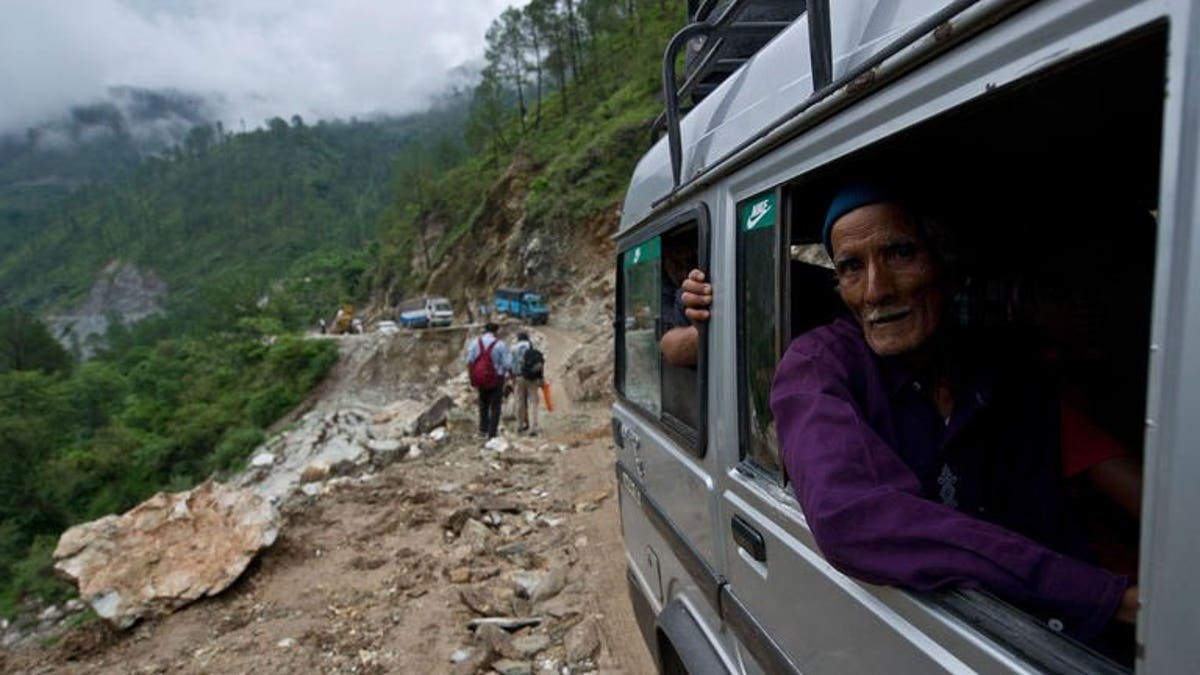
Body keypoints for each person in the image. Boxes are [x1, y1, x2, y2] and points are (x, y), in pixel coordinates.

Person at [768, 184, 1137, 643]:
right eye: (851, 268)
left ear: (946, 267)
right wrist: (1094, 595)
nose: (876, 291)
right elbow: (851, 517)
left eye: (900, 254)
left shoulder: (1003, 367)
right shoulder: (819, 366)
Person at [466, 322, 511, 438]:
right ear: (496, 332)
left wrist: (472, 378)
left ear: (484, 330)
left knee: (483, 404)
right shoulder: (500, 344)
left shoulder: (475, 343)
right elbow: (507, 364)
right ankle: (492, 433)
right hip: (496, 378)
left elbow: (470, 361)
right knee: (495, 406)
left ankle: (482, 430)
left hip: (480, 379)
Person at [510, 332, 544, 434]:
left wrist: (512, 378)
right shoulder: (531, 347)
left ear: (518, 338)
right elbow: (539, 362)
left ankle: (520, 425)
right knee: (533, 402)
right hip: (532, 378)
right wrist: (541, 378)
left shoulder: (513, 349)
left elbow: (510, 365)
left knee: (520, 401)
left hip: (519, 377)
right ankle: (533, 427)